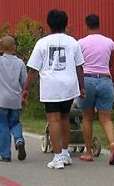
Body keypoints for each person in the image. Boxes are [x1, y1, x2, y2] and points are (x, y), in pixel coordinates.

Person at [22, 9, 85, 169]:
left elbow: (33, 69)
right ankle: (65, 153)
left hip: (51, 86)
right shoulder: (73, 42)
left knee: (53, 119)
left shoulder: (42, 43)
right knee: (65, 118)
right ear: (66, 23)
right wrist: (82, 87)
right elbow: (79, 67)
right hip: (69, 85)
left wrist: (26, 88)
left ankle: (57, 158)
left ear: (48, 24)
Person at [77, 14, 114, 165]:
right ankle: (112, 143)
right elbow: (110, 64)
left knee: (87, 118)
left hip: (87, 79)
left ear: (86, 25)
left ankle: (88, 153)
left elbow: (78, 65)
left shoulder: (80, 43)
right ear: (99, 25)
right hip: (105, 80)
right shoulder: (109, 42)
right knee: (106, 118)